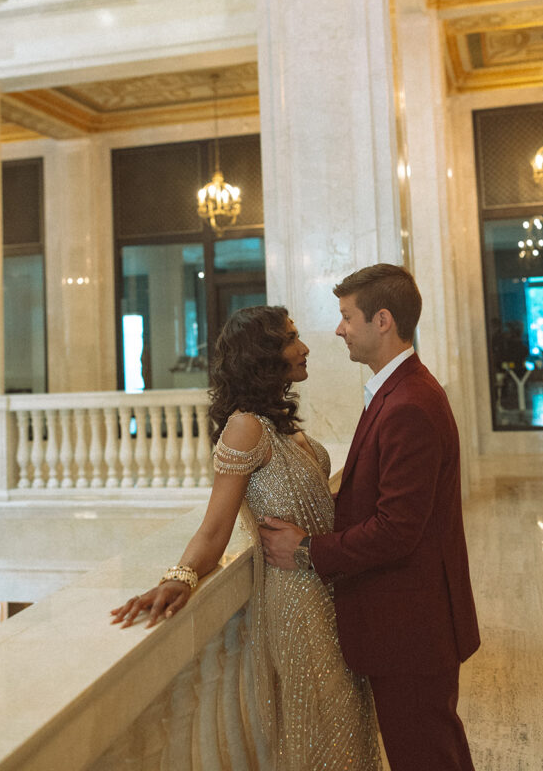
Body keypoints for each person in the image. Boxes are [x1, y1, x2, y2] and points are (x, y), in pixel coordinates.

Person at [110, 305, 382, 771]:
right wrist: (178, 577)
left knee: (349, 723)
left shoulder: (280, 422)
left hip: (328, 587)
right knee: (322, 732)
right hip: (297, 603)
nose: (305, 347)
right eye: (292, 339)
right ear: (263, 355)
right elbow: (215, 528)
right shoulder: (245, 427)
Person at [260, 264, 480, 771]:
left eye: (346, 317)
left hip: (412, 626)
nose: (339, 330)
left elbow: (397, 530)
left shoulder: (410, 402)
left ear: (382, 320)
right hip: (407, 621)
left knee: (427, 756)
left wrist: (306, 549)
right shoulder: (398, 390)